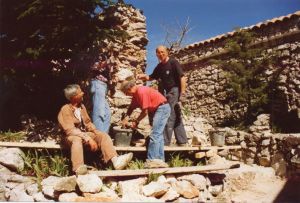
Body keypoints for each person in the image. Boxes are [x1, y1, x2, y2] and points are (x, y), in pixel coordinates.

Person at [58, 84, 133, 175]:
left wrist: (95, 132)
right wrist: (88, 138)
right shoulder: (65, 109)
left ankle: (115, 160)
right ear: (74, 97)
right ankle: (78, 169)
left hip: (83, 134)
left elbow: (88, 122)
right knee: (76, 139)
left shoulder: (81, 107)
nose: (83, 93)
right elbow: (70, 130)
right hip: (70, 137)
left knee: (102, 135)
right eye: (80, 92)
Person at [137, 45, 188, 146]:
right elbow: (151, 77)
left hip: (174, 90)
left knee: (169, 114)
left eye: (162, 52)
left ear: (167, 52)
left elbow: (182, 78)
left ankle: (165, 142)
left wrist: (182, 94)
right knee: (176, 115)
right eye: (158, 53)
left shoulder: (173, 62)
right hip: (166, 92)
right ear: (156, 54)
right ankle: (182, 141)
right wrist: (143, 76)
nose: (161, 54)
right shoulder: (160, 67)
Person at [120, 80, 170, 168]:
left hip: (162, 108)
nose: (126, 95)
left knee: (155, 134)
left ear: (129, 88)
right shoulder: (135, 95)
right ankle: (160, 160)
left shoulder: (141, 91)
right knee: (158, 135)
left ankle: (151, 161)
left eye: (125, 92)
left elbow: (144, 112)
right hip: (158, 109)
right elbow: (131, 108)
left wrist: (136, 121)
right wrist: (126, 118)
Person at [90, 53, 112, 133]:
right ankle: (99, 136)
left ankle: (104, 136)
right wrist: (104, 63)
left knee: (107, 114)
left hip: (103, 86)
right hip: (98, 84)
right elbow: (94, 68)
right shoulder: (98, 60)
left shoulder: (108, 61)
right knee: (99, 112)